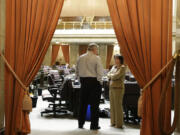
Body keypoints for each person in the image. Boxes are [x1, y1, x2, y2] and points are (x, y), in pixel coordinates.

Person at [76, 43, 104, 130]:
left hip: (84, 82)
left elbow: (77, 71)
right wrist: (100, 82)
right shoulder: (96, 58)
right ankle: (94, 125)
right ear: (94, 49)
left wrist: (80, 81)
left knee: (82, 104)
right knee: (94, 105)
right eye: (97, 50)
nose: (97, 52)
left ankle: (80, 124)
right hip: (94, 82)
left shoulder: (80, 57)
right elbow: (99, 71)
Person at [107, 54, 126, 128]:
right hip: (111, 88)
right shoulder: (113, 67)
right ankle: (113, 122)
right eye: (115, 59)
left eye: (117, 59)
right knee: (112, 105)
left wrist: (111, 76)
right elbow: (108, 74)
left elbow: (116, 76)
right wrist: (111, 75)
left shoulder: (123, 67)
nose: (116, 60)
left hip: (118, 88)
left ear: (120, 60)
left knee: (118, 106)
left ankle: (119, 124)